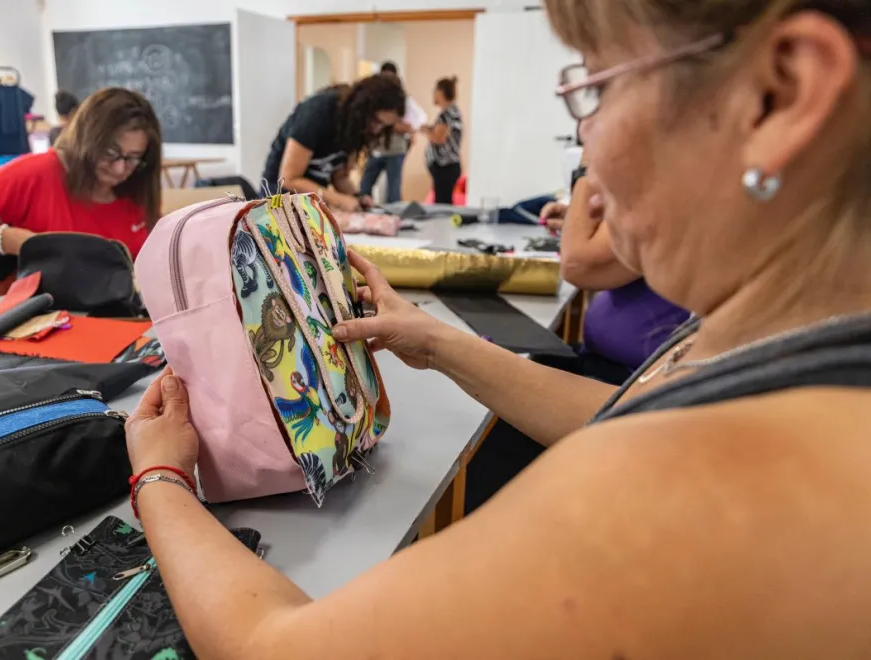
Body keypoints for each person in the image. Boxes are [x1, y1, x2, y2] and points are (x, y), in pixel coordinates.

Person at [126, 1, 871, 657]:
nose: (586, 146)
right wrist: (438, 340)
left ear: (781, 95)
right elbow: (615, 417)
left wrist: (160, 479)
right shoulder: (812, 350)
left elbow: (270, 645)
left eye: (599, 87)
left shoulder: (687, 496)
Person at [0, 87, 162, 300]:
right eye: (111, 152)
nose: (121, 168)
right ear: (88, 140)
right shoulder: (38, 173)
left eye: (133, 157)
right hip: (41, 320)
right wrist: (23, 242)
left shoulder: (136, 187)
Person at [541, 151, 690, 385]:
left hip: (635, 379)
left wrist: (588, 169)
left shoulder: (671, 187)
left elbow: (578, 265)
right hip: (613, 365)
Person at [261, 75, 406, 212]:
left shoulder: (356, 130)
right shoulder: (318, 111)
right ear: (363, 109)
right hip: (278, 203)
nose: (376, 129)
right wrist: (339, 200)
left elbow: (339, 177)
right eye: (376, 120)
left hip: (309, 205)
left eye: (384, 126)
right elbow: (289, 179)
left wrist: (357, 198)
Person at [359, 62, 414, 204]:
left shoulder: (401, 100)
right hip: (377, 150)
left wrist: (393, 124)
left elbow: (410, 127)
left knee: (393, 193)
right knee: (364, 187)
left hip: (395, 150)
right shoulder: (373, 99)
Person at [422, 76, 462, 205]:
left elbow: (439, 138)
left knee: (442, 204)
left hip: (445, 166)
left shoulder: (447, 114)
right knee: (444, 200)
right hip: (448, 166)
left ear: (440, 92)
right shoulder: (452, 112)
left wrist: (424, 130)